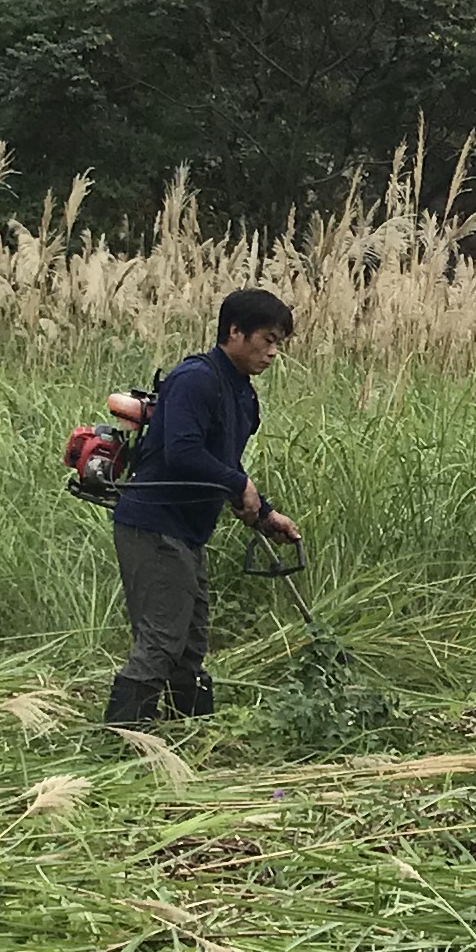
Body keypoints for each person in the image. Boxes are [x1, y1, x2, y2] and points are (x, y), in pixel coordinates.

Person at [104, 286, 303, 724]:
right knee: (162, 637)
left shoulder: (243, 394)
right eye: (267, 339)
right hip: (153, 524)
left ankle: (187, 731)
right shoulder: (196, 378)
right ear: (235, 332)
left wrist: (264, 512)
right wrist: (238, 482)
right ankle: (122, 740)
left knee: (190, 643)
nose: (273, 352)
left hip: (187, 530)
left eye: (279, 343)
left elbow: (223, 463)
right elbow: (183, 452)